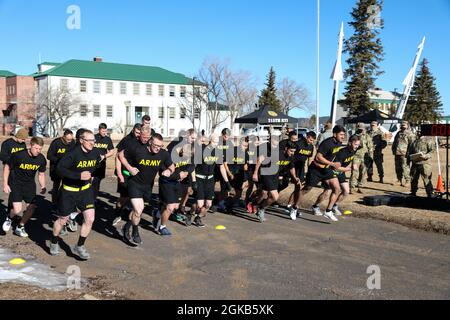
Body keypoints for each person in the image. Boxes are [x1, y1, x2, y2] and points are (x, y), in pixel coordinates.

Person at [49, 130, 105, 260]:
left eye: (94, 140)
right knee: (63, 219)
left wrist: (92, 175)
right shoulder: (72, 154)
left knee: (90, 218)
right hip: (68, 191)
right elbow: (59, 169)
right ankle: (54, 241)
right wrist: (78, 175)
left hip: (85, 191)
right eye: (90, 140)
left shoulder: (95, 152)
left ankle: (79, 246)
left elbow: (97, 162)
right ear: (81, 140)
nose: (93, 143)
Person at [119, 130, 174, 245]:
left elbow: (172, 166)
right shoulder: (138, 150)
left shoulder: (163, 154)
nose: (158, 148)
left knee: (137, 211)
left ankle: (127, 226)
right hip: (134, 184)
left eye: (160, 146)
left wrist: (169, 171)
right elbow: (120, 155)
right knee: (138, 210)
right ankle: (135, 232)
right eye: (155, 145)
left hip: (148, 186)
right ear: (150, 142)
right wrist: (129, 168)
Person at [299, 125, 347, 222]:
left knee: (337, 189)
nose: (343, 136)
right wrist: (332, 163)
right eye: (341, 134)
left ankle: (328, 211)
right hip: (316, 169)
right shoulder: (327, 143)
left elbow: (333, 155)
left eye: (344, 134)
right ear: (334, 134)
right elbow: (318, 157)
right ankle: (292, 206)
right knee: (306, 189)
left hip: (327, 170)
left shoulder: (339, 143)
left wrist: (335, 165)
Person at [2, 137, 47, 237]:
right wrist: (5, 184)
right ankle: (9, 218)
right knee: (17, 210)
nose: (38, 151)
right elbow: (7, 167)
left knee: (31, 208)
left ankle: (20, 226)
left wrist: (43, 186)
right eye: (36, 148)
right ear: (30, 145)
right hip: (16, 184)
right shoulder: (19, 155)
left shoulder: (41, 159)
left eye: (40, 149)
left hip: (29, 185)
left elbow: (41, 174)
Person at [252, 137, 301, 222]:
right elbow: (260, 159)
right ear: (286, 149)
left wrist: (295, 177)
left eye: (294, 152)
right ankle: (261, 208)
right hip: (266, 173)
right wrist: (255, 172)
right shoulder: (275, 153)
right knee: (275, 196)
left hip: (275, 176)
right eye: (291, 151)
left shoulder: (290, 157)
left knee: (265, 194)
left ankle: (255, 203)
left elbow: (291, 167)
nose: (292, 153)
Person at [312, 135, 361, 216]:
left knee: (346, 191)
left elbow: (352, 158)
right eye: (355, 144)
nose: (357, 146)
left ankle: (334, 205)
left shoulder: (354, 149)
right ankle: (315, 206)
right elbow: (336, 167)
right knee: (326, 192)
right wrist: (350, 168)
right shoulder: (341, 152)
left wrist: (354, 163)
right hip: (332, 171)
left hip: (341, 173)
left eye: (358, 144)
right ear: (349, 143)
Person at [158, 143, 194, 234]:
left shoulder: (186, 155)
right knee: (170, 207)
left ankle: (158, 214)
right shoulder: (169, 156)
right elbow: (163, 174)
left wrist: (185, 172)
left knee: (175, 206)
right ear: (182, 150)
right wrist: (178, 175)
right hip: (166, 183)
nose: (188, 158)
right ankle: (162, 227)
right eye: (188, 155)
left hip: (176, 182)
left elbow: (192, 165)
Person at [113, 123, 142, 225]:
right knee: (124, 197)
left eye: (140, 133)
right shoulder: (126, 140)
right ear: (133, 130)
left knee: (134, 196)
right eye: (137, 132)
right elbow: (117, 157)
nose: (138, 135)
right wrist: (120, 174)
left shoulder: (141, 140)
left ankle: (131, 217)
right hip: (125, 172)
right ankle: (117, 214)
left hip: (136, 174)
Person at [190, 133, 220, 227]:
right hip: (200, 178)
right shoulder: (201, 151)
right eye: (215, 142)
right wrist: (194, 180)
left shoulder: (218, 152)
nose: (216, 144)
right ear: (210, 140)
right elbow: (192, 167)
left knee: (208, 204)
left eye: (218, 142)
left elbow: (221, 167)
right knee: (199, 204)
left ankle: (198, 217)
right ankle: (189, 213)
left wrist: (227, 182)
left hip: (210, 180)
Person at [287, 131, 316, 218]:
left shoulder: (311, 147)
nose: (311, 141)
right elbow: (290, 154)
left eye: (313, 140)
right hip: (292, 166)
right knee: (291, 186)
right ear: (307, 137)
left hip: (301, 169)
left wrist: (309, 170)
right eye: (310, 139)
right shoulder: (298, 143)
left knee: (298, 187)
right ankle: (290, 206)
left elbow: (309, 159)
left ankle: (291, 206)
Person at [47, 129, 75, 207]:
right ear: (63, 137)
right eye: (68, 139)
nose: (69, 141)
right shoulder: (56, 142)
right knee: (56, 186)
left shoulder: (73, 142)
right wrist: (60, 161)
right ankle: (54, 204)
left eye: (71, 139)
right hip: (56, 169)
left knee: (66, 186)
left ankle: (64, 203)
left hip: (67, 169)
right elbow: (49, 155)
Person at [220, 138, 249, 214]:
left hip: (239, 175)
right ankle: (221, 205)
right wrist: (229, 173)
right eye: (244, 146)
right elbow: (225, 163)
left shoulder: (246, 153)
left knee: (238, 194)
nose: (245, 147)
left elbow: (245, 166)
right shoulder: (232, 151)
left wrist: (245, 179)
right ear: (239, 144)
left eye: (246, 146)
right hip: (229, 173)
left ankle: (229, 205)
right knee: (226, 191)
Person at [92, 123, 115, 199]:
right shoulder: (94, 138)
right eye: (103, 131)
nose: (105, 133)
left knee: (97, 181)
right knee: (91, 181)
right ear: (99, 130)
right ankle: (88, 198)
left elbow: (112, 151)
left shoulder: (107, 139)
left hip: (102, 163)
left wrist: (104, 156)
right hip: (92, 163)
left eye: (106, 131)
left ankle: (94, 198)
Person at [350, 123, 373, 194]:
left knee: (363, 173)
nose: (361, 130)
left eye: (362, 129)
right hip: (356, 157)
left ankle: (360, 186)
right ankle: (352, 188)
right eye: (359, 128)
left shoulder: (367, 136)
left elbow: (370, 147)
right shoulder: (353, 136)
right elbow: (349, 147)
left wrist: (370, 157)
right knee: (354, 172)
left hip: (365, 157)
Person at [215, 128, 234, 212]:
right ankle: (210, 200)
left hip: (225, 166)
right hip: (215, 166)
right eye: (225, 136)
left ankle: (221, 203)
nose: (227, 137)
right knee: (212, 184)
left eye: (228, 136)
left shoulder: (230, 143)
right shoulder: (217, 141)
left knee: (225, 186)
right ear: (222, 134)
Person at [392, 121, 416, 186]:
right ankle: (399, 180)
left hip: (405, 154)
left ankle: (407, 180)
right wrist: (393, 150)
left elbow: (412, 144)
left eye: (404, 125)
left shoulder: (410, 134)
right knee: (398, 167)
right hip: (397, 153)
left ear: (407, 126)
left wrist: (409, 153)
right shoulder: (398, 133)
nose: (403, 127)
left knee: (405, 167)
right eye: (402, 125)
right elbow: (395, 142)